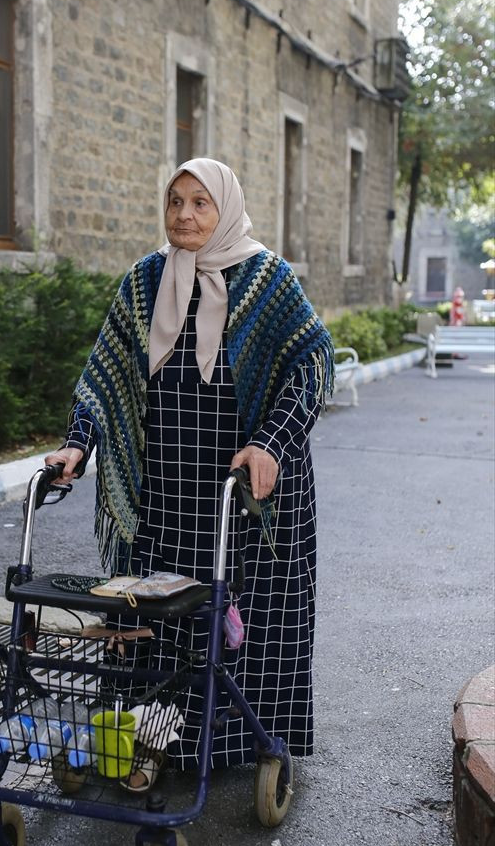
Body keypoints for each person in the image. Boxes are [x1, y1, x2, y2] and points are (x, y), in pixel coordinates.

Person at [46, 158, 334, 786]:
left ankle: (237, 738)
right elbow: (105, 374)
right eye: (175, 202)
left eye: (200, 203)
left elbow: (312, 365)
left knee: (245, 616)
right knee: (158, 609)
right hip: (165, 490)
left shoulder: (267, 278)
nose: (184, 216)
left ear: (225, 207)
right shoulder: (146, 280)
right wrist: (78, 445)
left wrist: (270, 443)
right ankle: (147, 733)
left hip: (243, 491)